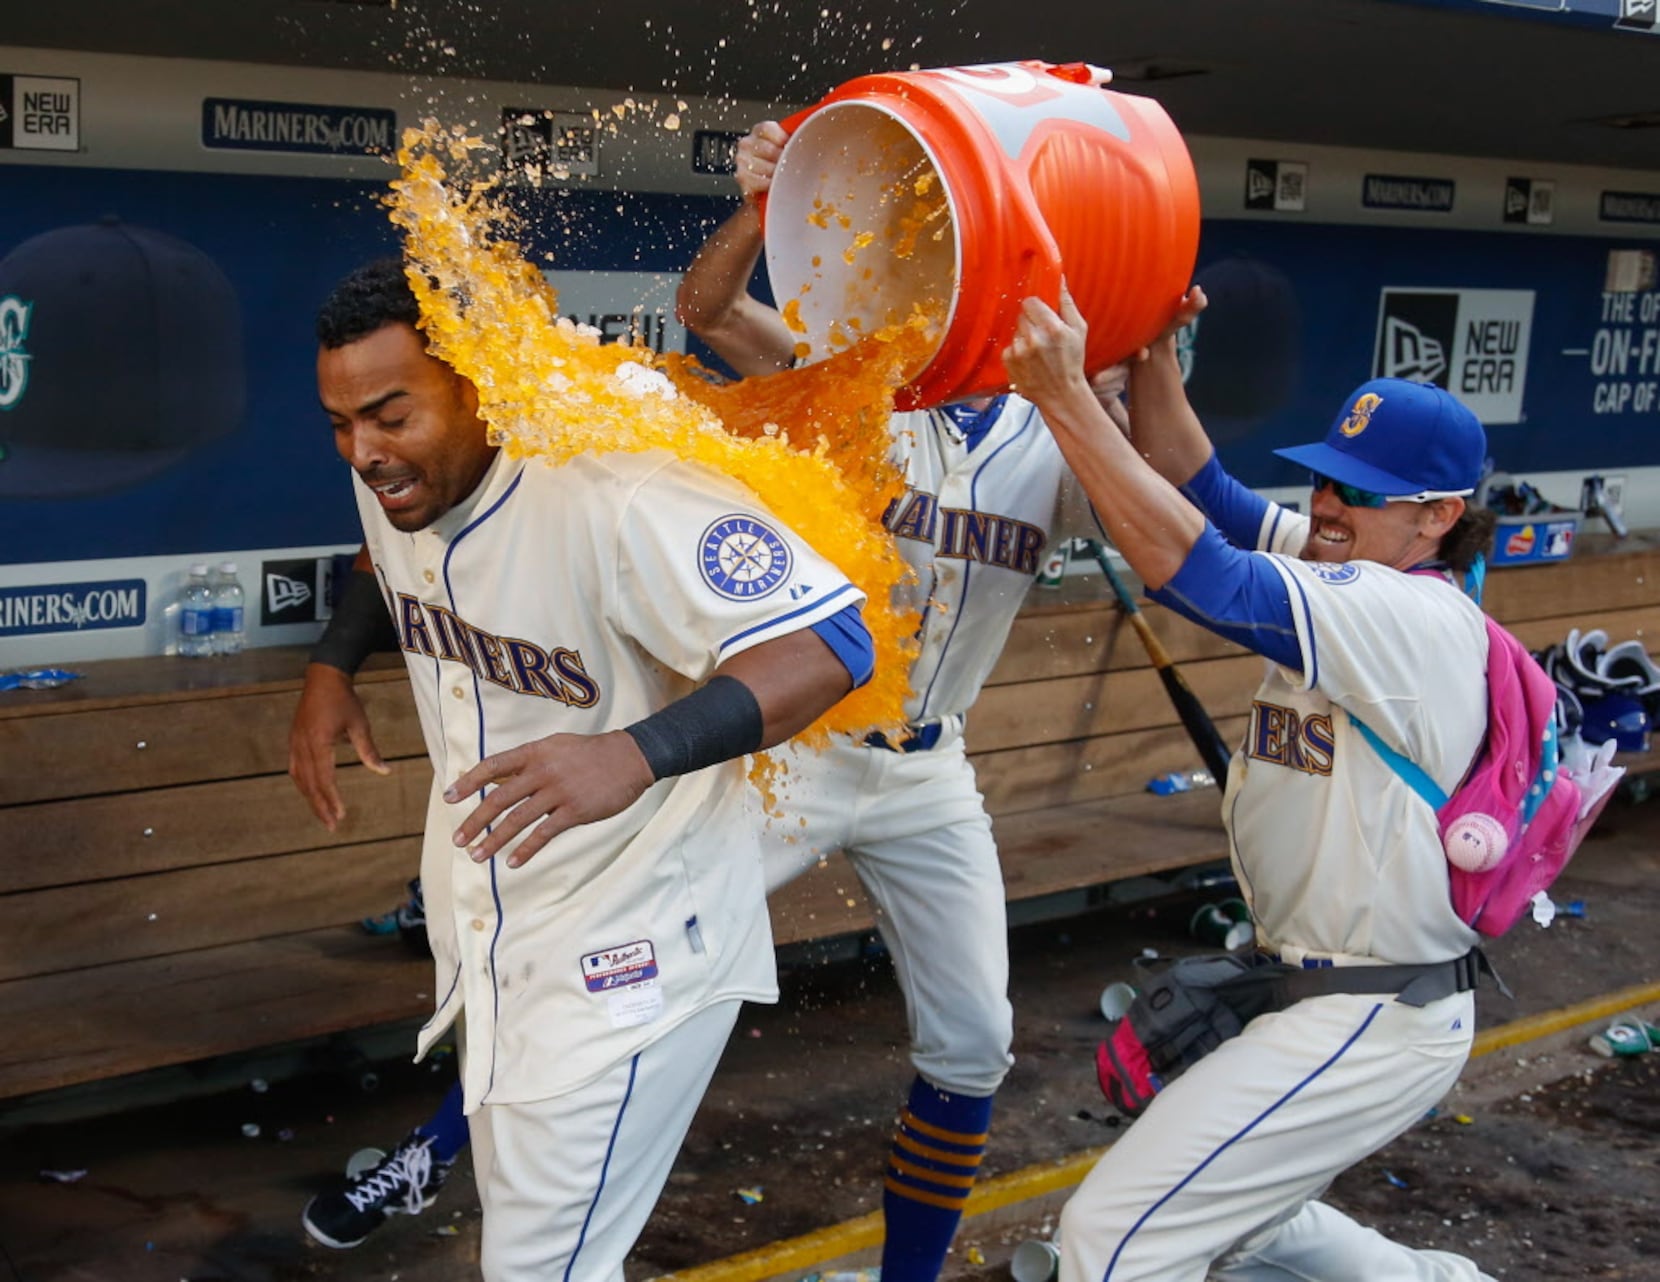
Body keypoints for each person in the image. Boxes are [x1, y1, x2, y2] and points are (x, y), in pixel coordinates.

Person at [292, 257, 874, 1280]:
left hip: (632, 950)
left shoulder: (615, 486)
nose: (364, 452)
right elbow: (383, 560)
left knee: (537, 1270)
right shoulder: (401, 475)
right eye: (342, 423)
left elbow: (830, 642)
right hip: (503, 928)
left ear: (477, 380)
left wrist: (633, 753)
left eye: (388, 416)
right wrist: (333, 663)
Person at [672, 122, 1116, 1282]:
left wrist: (1130, 366)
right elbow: (709, 313)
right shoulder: (855, 385)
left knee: (975, 1045)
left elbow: (1162, 513)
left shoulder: (1055, 434)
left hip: (929, 770)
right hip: (803, 751)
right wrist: (757, 210)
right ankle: (439, 1144)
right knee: (630, 946)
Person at [1002, 282, 1500, 1281]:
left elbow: (1203, 573)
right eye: (1325, 478)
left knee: (1110, 1244)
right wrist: (1150, 349)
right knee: (1246, 1220)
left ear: (1439, 516)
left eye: (1359, 492)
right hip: (1325, 984)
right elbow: (1200, 490)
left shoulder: (1411, 615)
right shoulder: (1352, 560)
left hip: (1371, 1011)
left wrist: (1063, 397)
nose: (1326, 504)